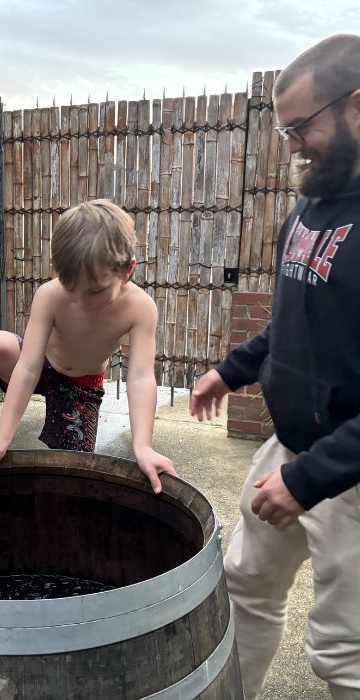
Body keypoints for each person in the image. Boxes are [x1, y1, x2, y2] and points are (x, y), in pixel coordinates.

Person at [190, 34, 360, 700]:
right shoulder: (310, 208)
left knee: (342, 655)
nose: (291, 143)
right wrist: (230, 371)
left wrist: (311, 479)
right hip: (291, 452)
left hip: (347, 478)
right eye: (285, 128)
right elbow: (292, 325)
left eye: (303, 125)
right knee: (244, 591)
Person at [0, 199, 176, 493]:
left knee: (71, 474)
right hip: (40, 365)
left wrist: (143, 446)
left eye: (96, 291)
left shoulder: (141, 308)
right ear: (58, 271)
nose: (81, 301)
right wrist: (2, 438)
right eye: (70, 287)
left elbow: (141, 377)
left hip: (79, 387)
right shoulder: (50, 295)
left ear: (128, 270)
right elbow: (27, 366)